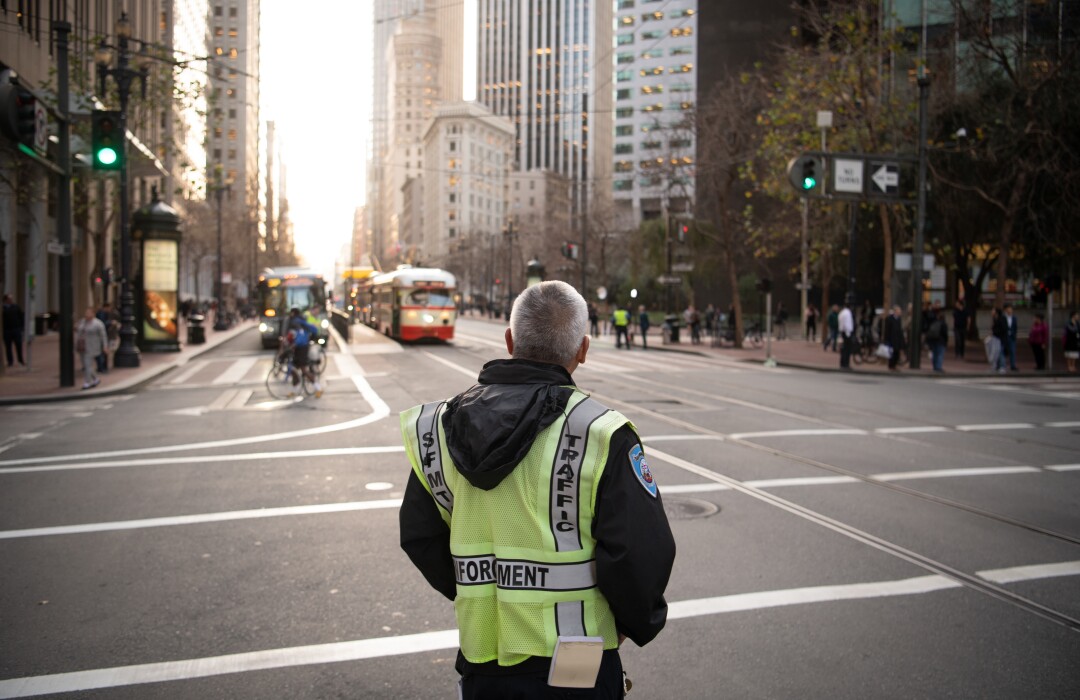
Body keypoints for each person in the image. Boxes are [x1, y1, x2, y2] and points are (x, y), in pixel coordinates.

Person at [399, 281, 675, 699]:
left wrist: (478, 594)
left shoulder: (437, 428)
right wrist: (636, 623)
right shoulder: (600, 433)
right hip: (578, 663)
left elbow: (420, 535)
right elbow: (639, 552)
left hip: (483, 660)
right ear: (582, 349)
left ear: (509, 341)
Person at [285, 307, 323, 397]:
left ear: (293, 313)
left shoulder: (297, 322)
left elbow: (301, 335)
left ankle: (318, 388)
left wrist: (294, 344)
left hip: (302, 348)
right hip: (299, 348)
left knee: (303, 370)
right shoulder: (298, 321)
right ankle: (295, 390)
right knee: (293, 368)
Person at [75, 306, 108, 390]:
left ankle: (87, 382)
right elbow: (78, 331)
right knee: (86, 365)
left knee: (87, 364)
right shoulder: (83, 322)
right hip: (82, 346)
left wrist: (105, 346)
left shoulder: (98, 323)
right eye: (86, 313)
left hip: (92, 346)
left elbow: (103, 336)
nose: (87, 314)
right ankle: (96, 378)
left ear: (93, 314)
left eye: (89, 313)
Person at [95, 302, 119, 373]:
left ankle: (102, 367)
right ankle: (102, 368)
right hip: (102, 335)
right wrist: (110, 322)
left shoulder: (105, 313)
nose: (110, 309)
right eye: (109, 308)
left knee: (103, 352)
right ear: (106, 307)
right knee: (103, 352)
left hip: (105, 335)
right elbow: (102, 324)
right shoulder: (102, 314)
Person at [3, 293, 26, 368]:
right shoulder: (3, 308)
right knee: (8, 347)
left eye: (11, 299)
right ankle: (10, 361)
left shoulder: (16, 307)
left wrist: (21, 327)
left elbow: (21, 317)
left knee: (19, 345)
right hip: (7, 330)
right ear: (6, 300)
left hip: (16, 329)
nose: (11, 300)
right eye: (9, 299)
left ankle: (20, 360)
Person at [925, 304, 948, 372]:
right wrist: (946, 341)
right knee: (940, 354)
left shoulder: (934, 322)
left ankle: (935, 366)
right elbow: (945, 333)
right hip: (941, 341)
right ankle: (938, 367)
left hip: (934, 340)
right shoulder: (943, 324)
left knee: (935, 354)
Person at [883, 305, 905, 371]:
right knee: (892, 353)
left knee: (897, 353)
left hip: (897, 338)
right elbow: (887, 330)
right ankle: (891, 365)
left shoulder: (899, 319)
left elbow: (900, 329)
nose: (900, 313)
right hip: (892, 338)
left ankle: (894, 365)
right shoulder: (889, 319)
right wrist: (886, 339)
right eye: (899, 311)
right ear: (895, 311)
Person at [988, 307, 1008, 374]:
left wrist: (995, 332)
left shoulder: (1002, 318)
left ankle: (1002, 366)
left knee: (1001, 352)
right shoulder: (995, 319)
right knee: (996, 353)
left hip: (1001, 338)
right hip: (996, 338)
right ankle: (997, 366)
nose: (992, 312)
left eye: (993, 311)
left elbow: (1004, 328)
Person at [838, 298, 855, 369]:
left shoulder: (842, 312)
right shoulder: (848, 313)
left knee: (843, 349)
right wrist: (849, 333)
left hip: (842, 331)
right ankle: (846, 364)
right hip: (847, 332)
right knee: (847, 349)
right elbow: (848, 324)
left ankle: (842, 363)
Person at [1003, 303, 1019, 371]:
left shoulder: (1014, 318)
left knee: (1012, 351)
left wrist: (1014, 334)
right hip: (1004, 337)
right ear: (1005, 310)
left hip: (1011, 337)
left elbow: (1015, 327)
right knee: (1003, 351)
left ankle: (1013, 365)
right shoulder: (1003, 317)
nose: (1010, 311)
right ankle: (1003, 365)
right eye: (1008, 310)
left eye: (1011, 310)